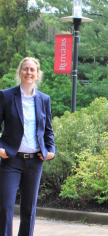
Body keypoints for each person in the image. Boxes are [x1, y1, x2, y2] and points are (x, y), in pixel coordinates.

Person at [0, 57, 55, 236]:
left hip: (35, 162)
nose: (28, 73)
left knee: (29, 210)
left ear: (37, 74)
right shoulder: (6, 96)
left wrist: (50, 151)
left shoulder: (44, 99)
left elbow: (48, 130)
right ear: (20, 71)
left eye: (32, 70)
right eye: (25, 69)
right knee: (6, 206)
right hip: (11, 160)